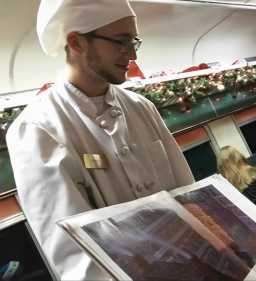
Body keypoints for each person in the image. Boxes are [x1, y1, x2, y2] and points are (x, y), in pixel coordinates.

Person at [6, 1, 194, 280]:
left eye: (134, 42)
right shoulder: (37, 130)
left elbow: (188, 195)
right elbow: (77, 260)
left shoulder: (141, 107)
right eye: (121, 42)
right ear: (76, 42)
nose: (132, 55)